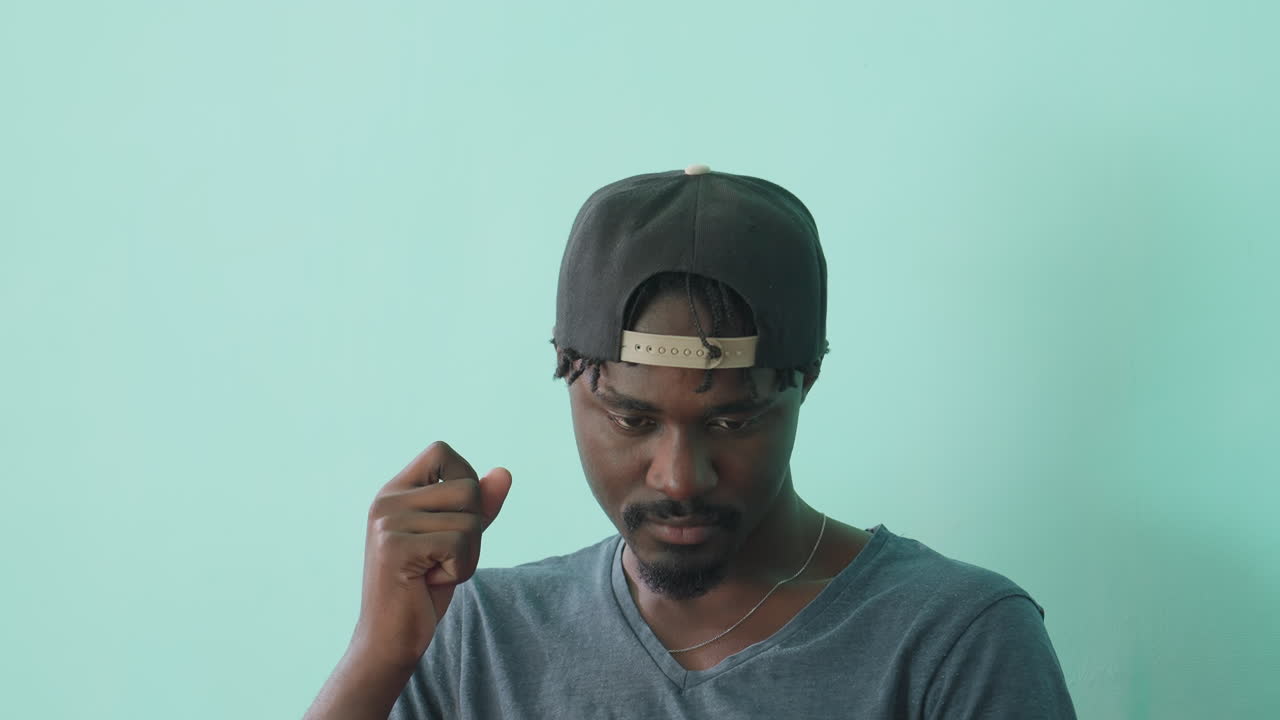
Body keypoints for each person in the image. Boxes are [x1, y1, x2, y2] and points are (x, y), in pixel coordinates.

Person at [304, 165, 1077, 719]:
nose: (679, 477)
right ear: (570, 385)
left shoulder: (952, 639)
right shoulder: (483, 637)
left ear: (803, 383)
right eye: (632, 421)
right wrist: (377, 658)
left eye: (732, 421)